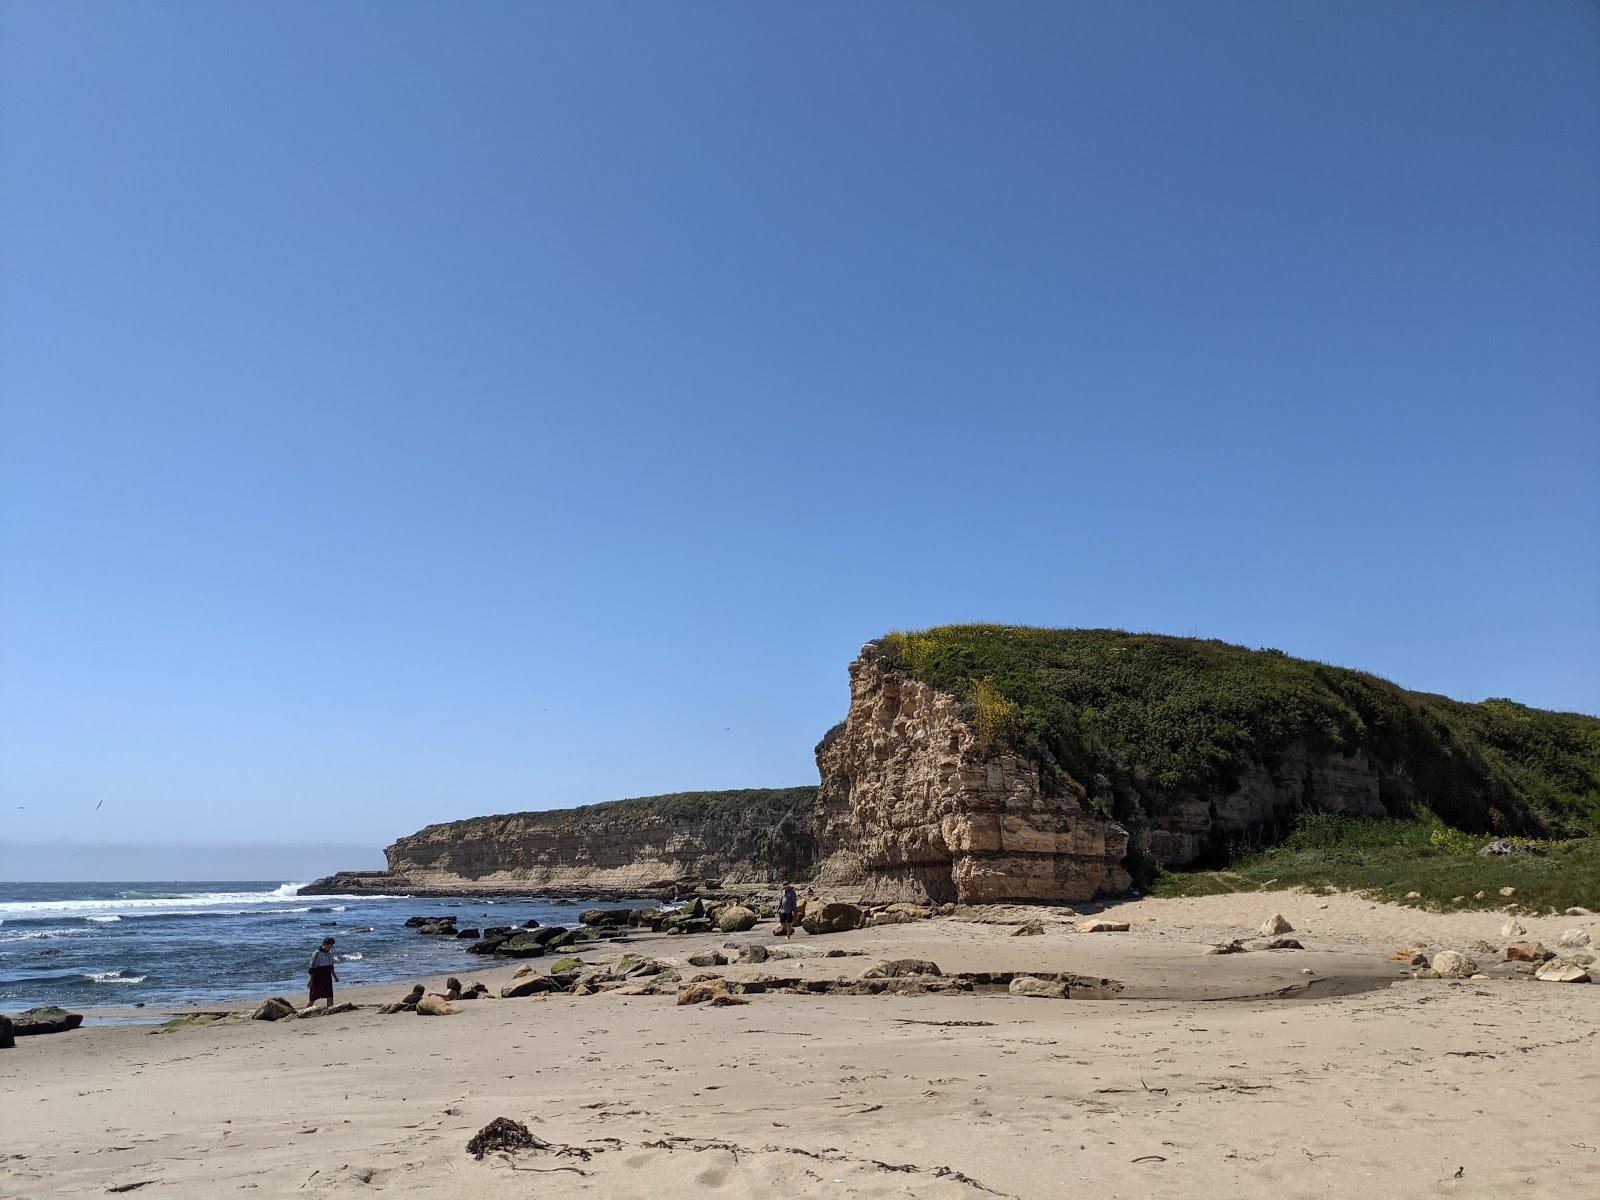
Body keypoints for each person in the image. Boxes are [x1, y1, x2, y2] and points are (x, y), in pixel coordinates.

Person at [307, 937, 339, 1008]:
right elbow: (311, 969)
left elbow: (331, 967)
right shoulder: (317, 953)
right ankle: (305, 1011)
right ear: (325, 944)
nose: (331, 947)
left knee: (329, 995)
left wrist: (335, 977)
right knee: (313, 997)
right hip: (317, 977)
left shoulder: (330, 953)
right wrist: (310, 980)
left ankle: (330, 1009)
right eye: (330, 945)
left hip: (327, 977)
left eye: (332, 945)